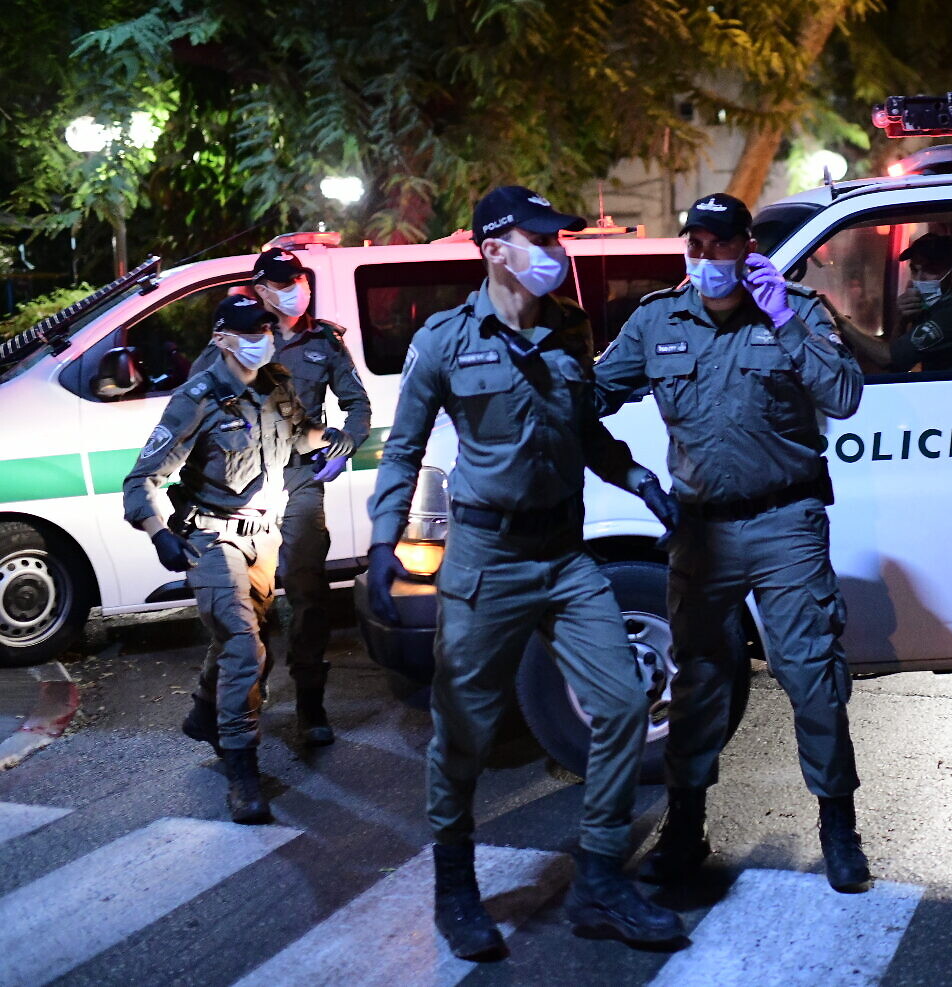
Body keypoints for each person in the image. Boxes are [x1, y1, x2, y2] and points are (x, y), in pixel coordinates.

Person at [364, 186, 685, 959]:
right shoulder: (444, 340)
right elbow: (403, 447)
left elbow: (582, 429)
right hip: (488, 558)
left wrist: (634, 475)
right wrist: (382, 545)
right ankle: (454, 888)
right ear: (493, 249)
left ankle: (600, 880)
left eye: (559, 238)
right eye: (539, 238)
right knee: (463, 731)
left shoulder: (569, 328)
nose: (556, 251)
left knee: (618, 703)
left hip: (565, 555)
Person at [592, 193, 870, 893]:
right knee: (699, 680)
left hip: (786, 521)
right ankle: (685, 828)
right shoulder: (657, 319)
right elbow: (588, 395)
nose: (706, 257)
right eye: (695, 243)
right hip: (700, 530)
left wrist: (782, 318)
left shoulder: (795, 310)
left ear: (747, 246)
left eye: (720, 244)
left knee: (811, 674)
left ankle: (837, 825)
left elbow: (842, 394)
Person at [124, 294, 350, 823]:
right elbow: (142, 480)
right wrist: (158, 531)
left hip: (263, 537)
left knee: (241, 637)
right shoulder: (196, 398)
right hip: (212, 538)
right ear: (222, 339)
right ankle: (242, 772)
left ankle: (206, 711)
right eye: (251, 331)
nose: (263, 338)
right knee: (246, 648)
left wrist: (333, 440)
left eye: (267, 330)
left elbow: (299, 434)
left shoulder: (276, 384)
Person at [190, 247, 371, 746]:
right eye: (284, 281)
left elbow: (357, 405)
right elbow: (195, 402)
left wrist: (343, 446)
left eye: (300, 278)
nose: (296, 288)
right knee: (251, 601)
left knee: (308, 592)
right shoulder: (238, 338)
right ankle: (241, 695)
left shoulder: (324, 341)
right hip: (245, 490)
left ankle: (311, 706)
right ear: (263, 289)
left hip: (300, 482)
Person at [835, 232, 952, 374]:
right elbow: (899, 363)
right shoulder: (939, 304)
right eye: (915, 270)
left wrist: (838, 320)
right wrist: (903, 318)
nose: (919, 279)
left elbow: (888, 359)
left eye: (930, 270)